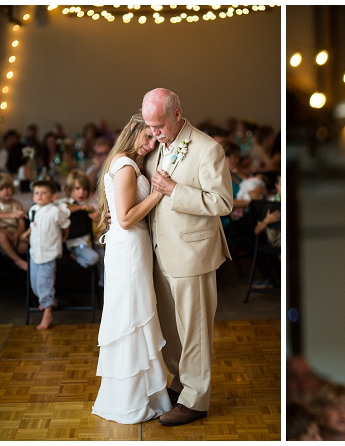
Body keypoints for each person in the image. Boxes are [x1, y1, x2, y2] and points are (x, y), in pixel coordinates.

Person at [142, 88, 233, 426]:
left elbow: (223, 203)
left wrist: (175, 191)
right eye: (151, 126)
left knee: (194, 331)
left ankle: (196, 399)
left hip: (193, 252)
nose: (154, 133)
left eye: (160, 125)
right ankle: (181, 386)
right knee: (171, 329)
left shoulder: (208, 149)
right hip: (159, 252)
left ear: (178, 114)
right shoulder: (154, 149)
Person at [91, 113, 171, 423]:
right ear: (133, 132)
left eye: (155, 137)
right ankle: (133, 398)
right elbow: (124, 218)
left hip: (130, 247)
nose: (151, 144)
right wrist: (158, 193)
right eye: (147, 137)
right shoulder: (125, 165)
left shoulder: (125, 162)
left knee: (134, 315)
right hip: (128, 248)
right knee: (131, 317)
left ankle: (146, 393)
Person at [20, 179, 71, 330]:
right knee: (35, 284)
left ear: (53, 197)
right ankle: (49, 299)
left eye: (44, 193)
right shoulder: (33, 210)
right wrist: (27, 234)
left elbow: (65, 224)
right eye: (36, 193)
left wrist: (64, 237)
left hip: (48, 255)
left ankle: (48, 312)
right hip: (35, 253)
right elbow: (33, 225)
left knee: (44, 283)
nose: (40, 196)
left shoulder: (55, 211)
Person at [59, 170, 101, 269]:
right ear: (69, 190)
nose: (81, 192)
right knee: (93, 257)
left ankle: (102, 283)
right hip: (76, 243)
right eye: (77, 188)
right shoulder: (65, 204)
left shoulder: (93, 204)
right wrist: (81, 208)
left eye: (84, 189)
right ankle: (76, 258)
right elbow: (63, 209)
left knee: (104, 257)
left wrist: (98, 217)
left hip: (94, 241)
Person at [0, 173, 29, 270]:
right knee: (1, 236)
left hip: (16, 234)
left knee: (27, 244)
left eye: (8, 187)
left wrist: (16, 234)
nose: (6, 191)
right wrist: (1, 230)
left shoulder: (17, 204)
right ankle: (18, 261)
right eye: (1, 189)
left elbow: (21, 225)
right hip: (1, 234)